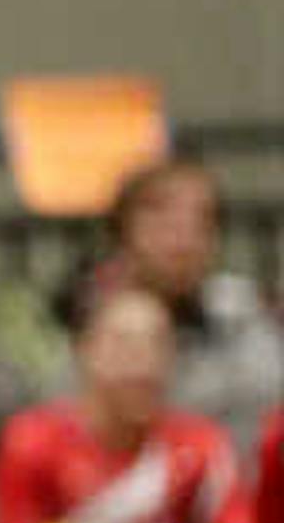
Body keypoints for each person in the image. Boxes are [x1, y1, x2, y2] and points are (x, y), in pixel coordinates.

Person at [0, 284, 257, 523]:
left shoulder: (202, 445)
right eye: (123, 345)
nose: (144, 364)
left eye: (158, 344)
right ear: (83, 350)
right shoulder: (33, 442)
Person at [70, 155, 284, 451]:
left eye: (202, 220)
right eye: (160, 215)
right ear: (122, 231)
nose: (184, 237)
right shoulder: (88, 332)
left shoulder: (247, 325)